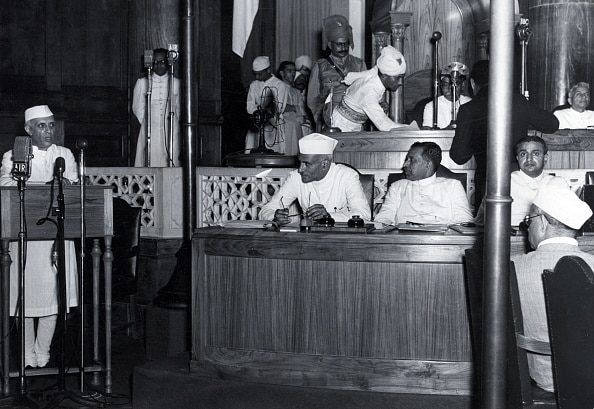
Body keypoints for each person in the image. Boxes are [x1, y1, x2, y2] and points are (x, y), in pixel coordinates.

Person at [0, 105, 79, 368]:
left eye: (51, 125)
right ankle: (25, 352)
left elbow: (72, 185)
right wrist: (44, 186)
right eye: (42, 126)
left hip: (57, 237)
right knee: (26, 299)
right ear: (28, 129)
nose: (48, 131)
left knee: (52, 298)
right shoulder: (14, 155)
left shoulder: (64, 154)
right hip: (25, 238)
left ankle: (43, 351)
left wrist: (63, 186)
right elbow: (7, 185)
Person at [511, 185, 594, 393]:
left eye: (529, 221)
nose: (526, 227)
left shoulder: (511, 267)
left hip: (540, 378)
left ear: (543, 222)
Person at [450, 60, 560, 208]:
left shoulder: (468, 109)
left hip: (487, 184)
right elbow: (552, 124)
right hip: (521, 181)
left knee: (489, 228)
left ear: (472, 83)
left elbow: (458, 157)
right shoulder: (518, 101)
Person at [259, 133, 371, 225]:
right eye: (300, 162)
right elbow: (267, 210)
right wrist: (274, 217)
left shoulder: (346, 176)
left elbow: (364, 215)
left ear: (324, 164)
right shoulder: (296, 178)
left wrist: (329, 217)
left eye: (306, 164)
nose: (300, 169)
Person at [374, 141, 473, 225]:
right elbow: (383, 218)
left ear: (428, 164)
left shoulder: (452, 186)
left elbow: (464, 222)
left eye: (412, 160)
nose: (405, 164)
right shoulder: (397, 187)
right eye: (406, 160)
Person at [307, 15, 367, 132]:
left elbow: (366, 91)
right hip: (330, 123)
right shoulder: (320, 66)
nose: (343, 47)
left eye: (346, 43)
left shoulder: (359, 64)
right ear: (330, 45)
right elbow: (312, 100)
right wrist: (322, 120)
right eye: (339, 44)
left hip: (355, 122)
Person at [330, 45, 408, 132]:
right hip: (342, 125)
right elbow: (384, 125)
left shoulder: (376, 74)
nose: (400, 83)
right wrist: (410, 129)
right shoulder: (369, 91)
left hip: (353, 123)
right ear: (385, 76)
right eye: (398, 78)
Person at [132, 48, 181, 167]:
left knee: (171, 157)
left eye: (162, 62)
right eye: (156, 62)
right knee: (149, 158)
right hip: (149, 127)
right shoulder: (142, 83)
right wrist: (148, 120)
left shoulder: (177, 83)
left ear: (168, 63)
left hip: (171, 128)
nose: (159, 65)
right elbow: (137, 107)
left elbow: (179, 107)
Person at [245, 56, 299, 155]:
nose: (257, 77)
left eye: (260, 74)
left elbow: (279, 108)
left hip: (273, 125)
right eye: (255, 74)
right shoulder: (254, 85)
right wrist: (259, 110)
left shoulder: (279, 85)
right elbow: (249, 105)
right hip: (257, 124)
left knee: (273, 154)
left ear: (268, 70)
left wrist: (261, 109)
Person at [422, 62, 472, 129]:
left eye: (455, 84)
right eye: (445, 85)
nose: (450, 88)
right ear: (441, 86)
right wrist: (447, 130)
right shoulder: (432, 106)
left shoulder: (469, 103)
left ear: (462, 86)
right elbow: (427, 132)